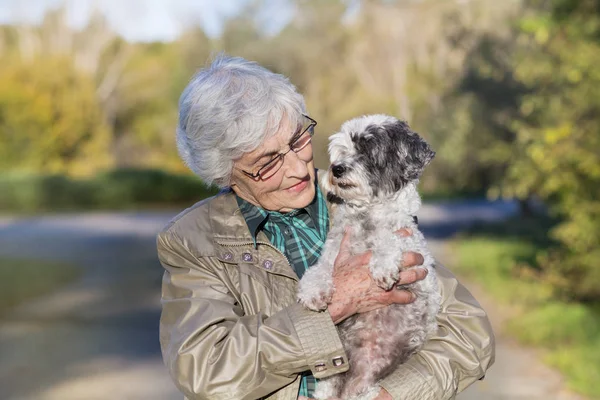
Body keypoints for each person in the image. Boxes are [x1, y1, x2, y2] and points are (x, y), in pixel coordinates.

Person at [157, 54, 495, 400]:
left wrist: (394, 394)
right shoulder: (192, 241)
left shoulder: (363, 198)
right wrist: (334, 307)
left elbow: (469, 332)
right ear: (224, 173)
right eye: (268, 162)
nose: (299, 169)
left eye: (298, 139)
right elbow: (207, 371)